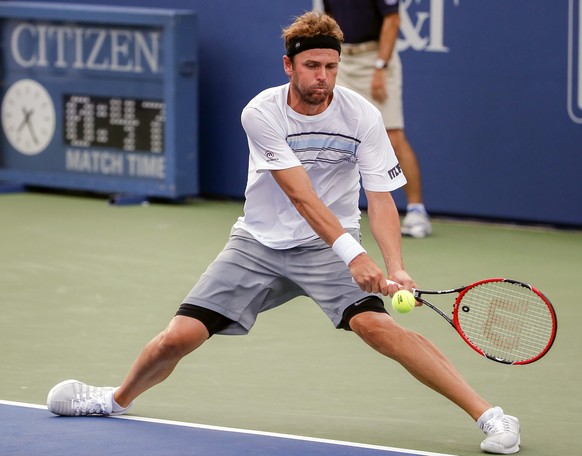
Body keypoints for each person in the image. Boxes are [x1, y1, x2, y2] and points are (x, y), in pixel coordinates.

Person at [47, 11, 519, 454]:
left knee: (378, 327)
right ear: (288, 65)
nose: (323, 77)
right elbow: (302, 198)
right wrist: (357, 257)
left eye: (331, 66)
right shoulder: (262, 113)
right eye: (312, 65)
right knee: (178, 338)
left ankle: (492, 417)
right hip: (258, 245)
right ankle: (115, 399)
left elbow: (379, 198)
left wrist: (395, 265)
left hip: (325, 250)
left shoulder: (363, 116)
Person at [322, 0, 432, 238]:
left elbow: (393, 20)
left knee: (392, 137)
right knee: (331, 133)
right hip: (342, 60)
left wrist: (380, 67)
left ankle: (416, 211)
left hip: (376, 59)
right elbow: (330, 19)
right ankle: (328, 210)